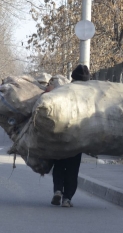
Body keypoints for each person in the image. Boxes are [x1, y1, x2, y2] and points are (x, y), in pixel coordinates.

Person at [51, 64, 90, 208]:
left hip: (61, 135)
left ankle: (57, 191)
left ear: (72, 78)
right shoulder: (89, 96)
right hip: (77, 137)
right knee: (73, 170)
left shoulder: (63, 91)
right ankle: (67, 198)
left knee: (59, 165)